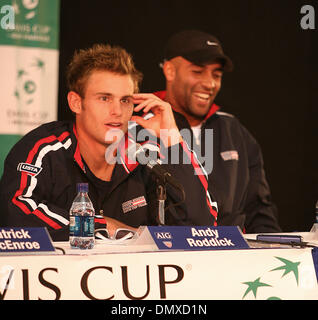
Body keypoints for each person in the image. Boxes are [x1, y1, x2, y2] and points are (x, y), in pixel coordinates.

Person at [0, 43, 217, 241]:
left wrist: (172, 138)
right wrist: (105, 226)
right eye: (104, 98)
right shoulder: (44, 148)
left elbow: (202, 226)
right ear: (76, 102)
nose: (117, 111)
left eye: (125, 100)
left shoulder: (149, 149)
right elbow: (15, 214)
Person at [153, 30, 281, 233]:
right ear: (170, 71)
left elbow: (258, 209)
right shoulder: (139, 124)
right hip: (166, 255)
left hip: (231, 256)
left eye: (216, 75)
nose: (210, 83)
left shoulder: (234, 130)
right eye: (197, 71)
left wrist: (270, 254)